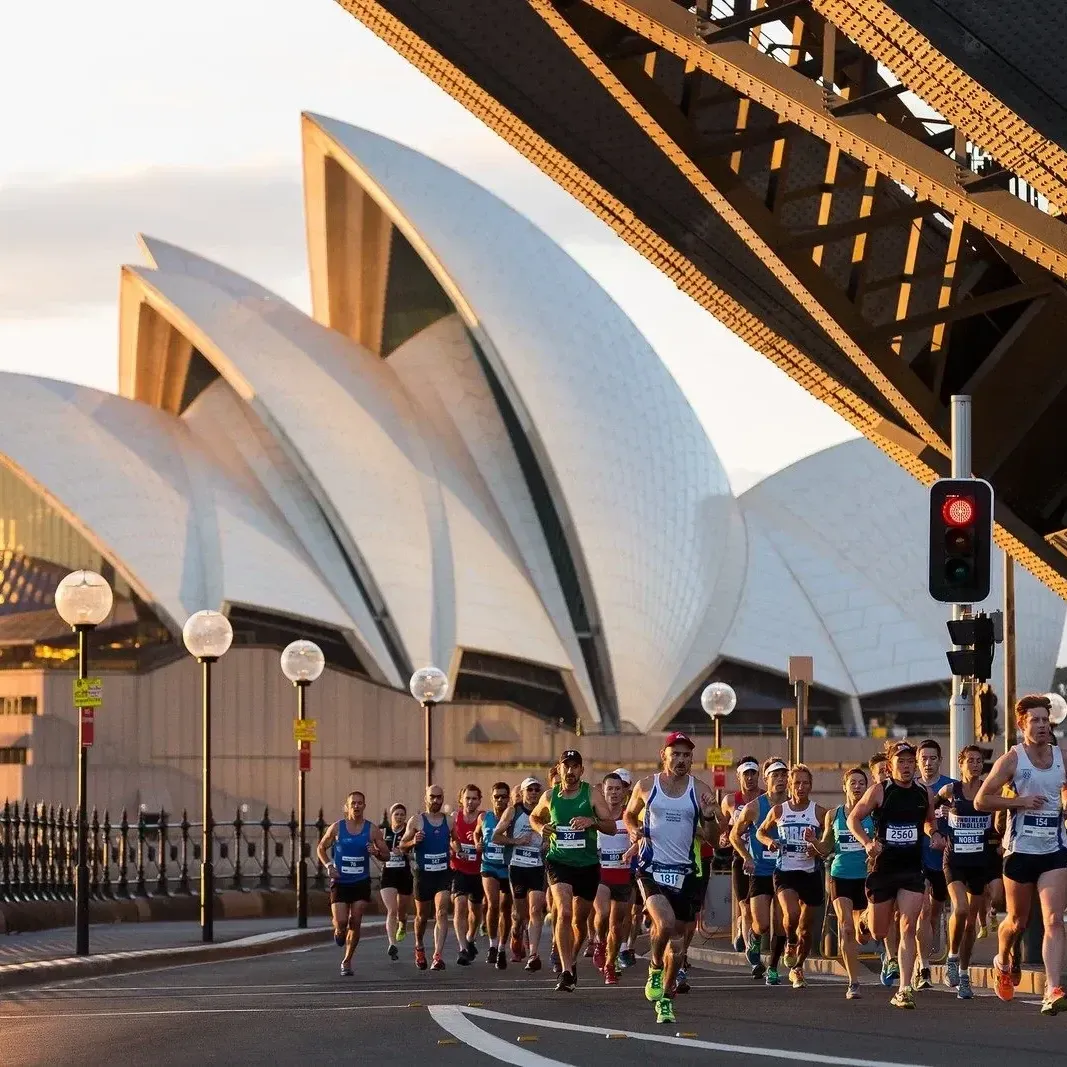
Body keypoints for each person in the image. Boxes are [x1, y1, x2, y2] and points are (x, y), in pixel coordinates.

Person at [975, 693, 1067, 1015]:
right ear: (1022, 724)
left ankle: (1052, 988)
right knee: (1017, 921)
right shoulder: (1012, 760)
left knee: (1054, 919)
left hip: (1054, 850)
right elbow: (982, 800)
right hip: (1020, 851)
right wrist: (1019, 802)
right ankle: (1003, 958)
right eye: (1035, 721)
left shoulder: (1061, 756)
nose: (1042, 726)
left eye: (1046, 720)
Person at [625, 732, 717, 1025]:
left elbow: (714, 840)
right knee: (663, 923)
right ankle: (653, 968)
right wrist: (632, 830)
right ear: (663, 755)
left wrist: (711, 816)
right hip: (651, 867)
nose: (681, 759)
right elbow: (629, 815)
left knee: (677, 946)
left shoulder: (700, 789)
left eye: (686, 755)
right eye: (675, 754)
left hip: (685, 873)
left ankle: (665, 998)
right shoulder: (646, 786)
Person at [847, 740, 946, 1009]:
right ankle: (866, 918)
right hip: (883, 869)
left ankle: (904, 988)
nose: (906, 766)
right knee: (880, 931)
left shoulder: (923, 793)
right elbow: (853, 819)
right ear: (890, 766)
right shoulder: (880, 791)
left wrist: (935, 835)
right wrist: (868, 843)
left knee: (908, 926)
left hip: (912, 869)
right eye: (900, 762)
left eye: (910, 762)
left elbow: (928, 822)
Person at [530, 749, 616, 992]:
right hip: (559, 862)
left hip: (587, 865)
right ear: (559, 769)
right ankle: (566, 970)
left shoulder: (592, 794)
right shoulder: (549, 796)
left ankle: (572, 959)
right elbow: (534, 818)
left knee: (579, 922)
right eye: (565, 766)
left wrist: (592, 822)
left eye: (575, 766)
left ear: (581, 770)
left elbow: (610, 826)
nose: (570, 771)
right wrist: (541, 828)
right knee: (564, 912)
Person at [756, 764, 827, 989]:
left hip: (810, 873)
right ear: (789, 784)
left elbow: (829, 842)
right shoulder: (779, 811)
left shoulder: (819, 812)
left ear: (811, 785)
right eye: (797, 782)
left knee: (806, 929)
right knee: (792, 912)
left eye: (805, 783)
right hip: (785, 871)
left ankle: (798, 968)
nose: (801, 787)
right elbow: (761, 831)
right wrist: (770, 842)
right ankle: (790, 941)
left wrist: (816, 847)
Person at [938, 745, 995, 999]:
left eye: (978, 761)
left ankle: (964, 973)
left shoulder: (988, 789)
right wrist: (939, 828)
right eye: (969, 760)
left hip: (979, 862)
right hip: (955, 860)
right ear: (960, 765)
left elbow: (1000, 815)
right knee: (960, 909)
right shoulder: (952, 790)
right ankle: (951, 956)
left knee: (971, 922)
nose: (974, 764)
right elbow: (933, 807)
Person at [317, 790, 390, 975]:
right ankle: (339, 931)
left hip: (360, 881)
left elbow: (387, 855)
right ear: (347, 807)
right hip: (341, 881)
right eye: (353, 803)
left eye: (360, 803)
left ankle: (347, 961)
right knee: (341, 922)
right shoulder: (337, 827)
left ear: (364, 806)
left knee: (355, 920)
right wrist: (328, 865)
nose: (356, 806)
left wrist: (376, 852)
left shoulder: (371, 829)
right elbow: (321, 848)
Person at [730, 757, 789, 983]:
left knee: (783, 922)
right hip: (760, 871)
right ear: (766, 779)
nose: (781, 779)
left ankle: (773, 967)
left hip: (786, 870)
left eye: (784, 775)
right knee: (762, 923)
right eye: (775, 775)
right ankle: (753, 938)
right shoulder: (755, 807)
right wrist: (746, 856)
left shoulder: (793, 805)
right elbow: (735, 834)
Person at [819, 767, 874, 999]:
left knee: (864, 935)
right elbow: (825, 847)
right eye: (853, 782)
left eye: (862, 782)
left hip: (866, 876)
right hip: (840, 875)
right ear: (845, 786)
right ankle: (853, 982)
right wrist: (813, 843)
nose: (857, 786)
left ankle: (864, 920)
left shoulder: (874, 814)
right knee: (846, 928)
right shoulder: (834, 814)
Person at [495, 777, 548, 972]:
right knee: (518, 914)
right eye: (530, 790)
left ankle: (533, 954)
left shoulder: (545, 811)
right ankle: (515, 934)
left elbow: (552, 836)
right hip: (517, 865)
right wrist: (516, 841)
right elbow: (496, 836)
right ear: (523, 792)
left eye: (537, 790)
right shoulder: (513, 811)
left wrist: (547, 843)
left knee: (535, 910)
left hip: (537, 865)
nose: (533, 793)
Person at [915, 739, 955, 988]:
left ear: (940, 760)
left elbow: (965, 822)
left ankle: (928, 949)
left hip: (943, 859)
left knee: (936, 910)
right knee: (923, 909)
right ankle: (924, 967)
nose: (928, 763)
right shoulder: (912, 788)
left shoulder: (950, 788)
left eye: (933, 758)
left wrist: (952, 818)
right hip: (917, 857)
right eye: (924, 759)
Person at [400, 784, 453, 971]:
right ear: (426, 798)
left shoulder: (449, 821)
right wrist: (414, 841)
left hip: (443, 872)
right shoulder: (417, 821)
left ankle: (438, 955)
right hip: (423, 874)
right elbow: (402, 845)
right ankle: (419, 946)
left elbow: (454, 840)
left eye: (439, 797)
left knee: (441, 912)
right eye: (433, 797)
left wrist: (459, 850)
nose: (436, 800)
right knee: (422, 916)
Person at [593, 771, 634, 985]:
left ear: (624, 791)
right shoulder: (595, 815)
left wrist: (632, 850)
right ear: (603, 791)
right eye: (610, 789)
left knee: (616, 924)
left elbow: (641, 837)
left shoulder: (629, 815)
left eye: (618, 789)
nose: (614, 793)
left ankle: (610, 964)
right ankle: (599, 943)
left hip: (623, 874)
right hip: (600, 873)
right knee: (603, 913)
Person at [722, 757, 762, 954]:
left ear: (759, 775)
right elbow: (722, 828)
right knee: (745, 906)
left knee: (758, 910)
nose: (750, 778)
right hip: (741, 858)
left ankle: (742, 928)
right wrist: (722, 839)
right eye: (745, 774)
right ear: (738, 776)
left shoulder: (766, 799)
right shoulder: (730, 801)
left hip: (763, 858)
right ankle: (751, 952)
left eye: (753, 773)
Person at [869, 752, 900, 984]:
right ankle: (864, 920)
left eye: (886, 770)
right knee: (882, 922)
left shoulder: (909, 792)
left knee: (905, 914)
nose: (885, 775)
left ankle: (895, 959)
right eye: (881, 772)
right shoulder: (873, 796)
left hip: (906, 864)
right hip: (876, 866)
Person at [477, 781, 512, 970]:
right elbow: (477, 834)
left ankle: (501, 947)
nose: (500, 800)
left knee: (506, 908)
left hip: (507, 867)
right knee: (492, 904)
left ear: (509, 798)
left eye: (503, 796)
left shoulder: (512, 817)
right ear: (492, 798)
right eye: (496, 796)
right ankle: (491, 944)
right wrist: (478, 843)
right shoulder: (485, 817)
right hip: (488, 865)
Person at [450, 783, 485, 966]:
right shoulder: (454, 818)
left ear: (479, 801)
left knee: (475, 911)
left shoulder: (483, 818)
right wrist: (456, 848)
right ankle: (463, 947)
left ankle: (471, 937)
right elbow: (450, 839)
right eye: (467, 798)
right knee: (460, 904)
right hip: (459, 868)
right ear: (461, 800)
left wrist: (481, 844)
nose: (470, 802)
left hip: (478, 870)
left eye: (474, 798)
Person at [379, 802, 413, 961]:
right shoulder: (383, 832)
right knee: (391, 910)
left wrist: (405, 852)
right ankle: (392, 944)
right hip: (388, 874)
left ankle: (403, 923)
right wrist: (378, 852)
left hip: (404, 873)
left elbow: (415, 852)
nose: (399, 817)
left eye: (402, 815)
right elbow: (378, 853)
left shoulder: (409, 832)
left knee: (401, 910)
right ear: (391, 816)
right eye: (396, 814)